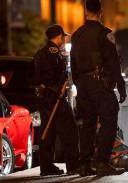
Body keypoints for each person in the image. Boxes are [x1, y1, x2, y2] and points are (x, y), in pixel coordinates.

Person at [71, 0, 127, 176]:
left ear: (86, 11)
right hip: (100, 85)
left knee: (87, 124)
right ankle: (102, 161)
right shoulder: (104, 34)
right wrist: (120, 84)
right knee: (109, 120)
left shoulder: (77, 34)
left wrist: (78, 83)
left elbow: (72, 63)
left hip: (83, 85)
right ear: (101, 11)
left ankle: (84, 164)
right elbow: (113, 62)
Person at [33, 24, 79, 176]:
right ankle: (73, 165)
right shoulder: (54, 53)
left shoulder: (40, 53)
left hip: (45, 98)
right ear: (58, 36)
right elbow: (54, 75)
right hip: (55, 98)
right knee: (70, 130)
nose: (64, 39)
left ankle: (46, 167)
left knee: (48, 132)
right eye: (63, 37)